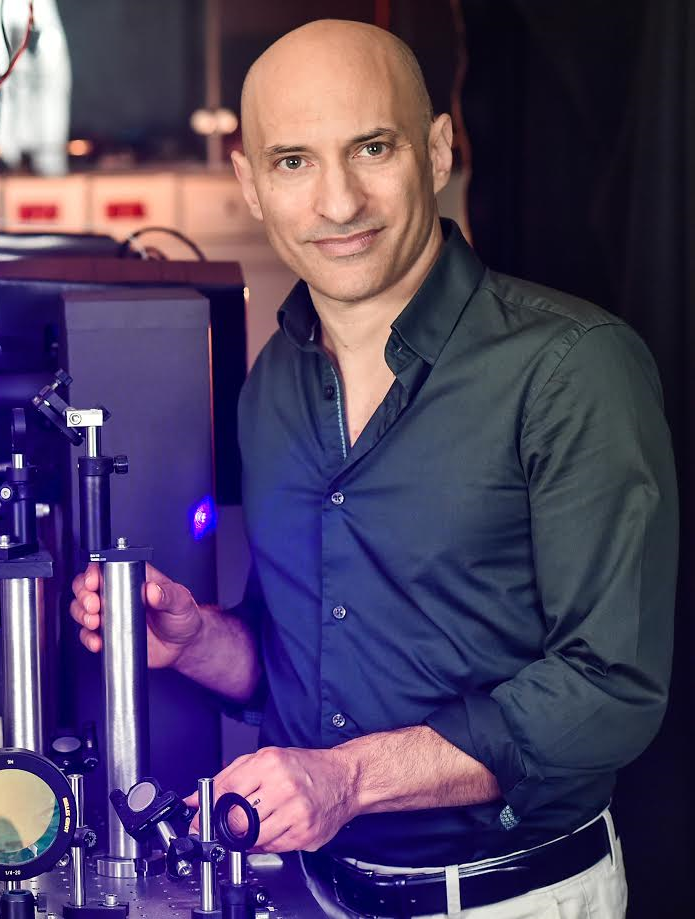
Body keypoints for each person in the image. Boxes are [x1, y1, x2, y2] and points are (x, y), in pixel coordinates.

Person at [70, 19, 677, 919]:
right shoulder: (271, 385)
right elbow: (306, 662)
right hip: (320, 893)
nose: (338, 201)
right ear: (251, 183)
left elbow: (609, 689)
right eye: (293, 161)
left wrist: (347, 779)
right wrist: (197, 640)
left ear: (436, 150)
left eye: (371, 148)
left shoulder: (571, 365)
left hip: (511, 900)